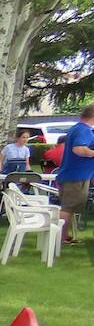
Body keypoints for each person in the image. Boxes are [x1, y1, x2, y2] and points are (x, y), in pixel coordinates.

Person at [53, 103, 94, 245]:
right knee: (68, 207)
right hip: (76, 176)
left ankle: (63, 236)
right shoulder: (85, 131)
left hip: (72, 175)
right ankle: (59, 237)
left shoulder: (76, 128)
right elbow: (79, 149)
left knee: (69, 207)